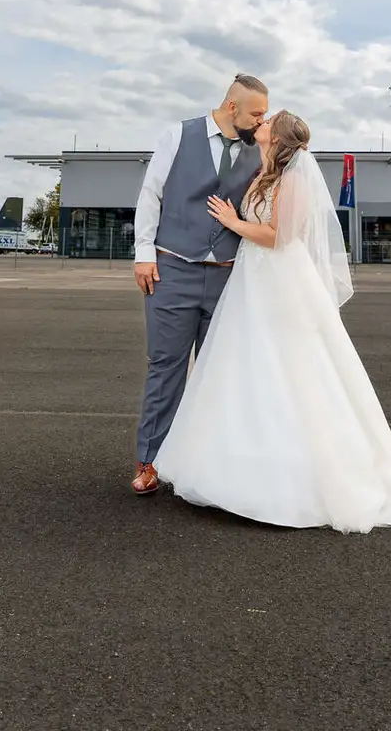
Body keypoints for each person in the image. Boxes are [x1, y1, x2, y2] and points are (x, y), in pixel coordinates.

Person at [153, 111, 391, 535]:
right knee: (251, 365)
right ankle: (241, 462)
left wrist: (233, 222)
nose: (260, 123)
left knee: (288, 365)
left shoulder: (293, 179)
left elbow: (279, 236)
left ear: (278, 138)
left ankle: (293, 473)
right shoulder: (264, 173)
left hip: (279, 279)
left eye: (268, 121)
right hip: (253, 277)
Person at [128, 74, 269, 496]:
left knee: (219, 375)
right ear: (231, 108)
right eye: (256, 113)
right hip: (172, 270)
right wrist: (143, 253)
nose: (262, 121)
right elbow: (151, 194)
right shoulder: (178, 135)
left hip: (228, 275)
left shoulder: (257, 149)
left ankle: (210, 465)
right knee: (166, 368)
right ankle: (150, 461)